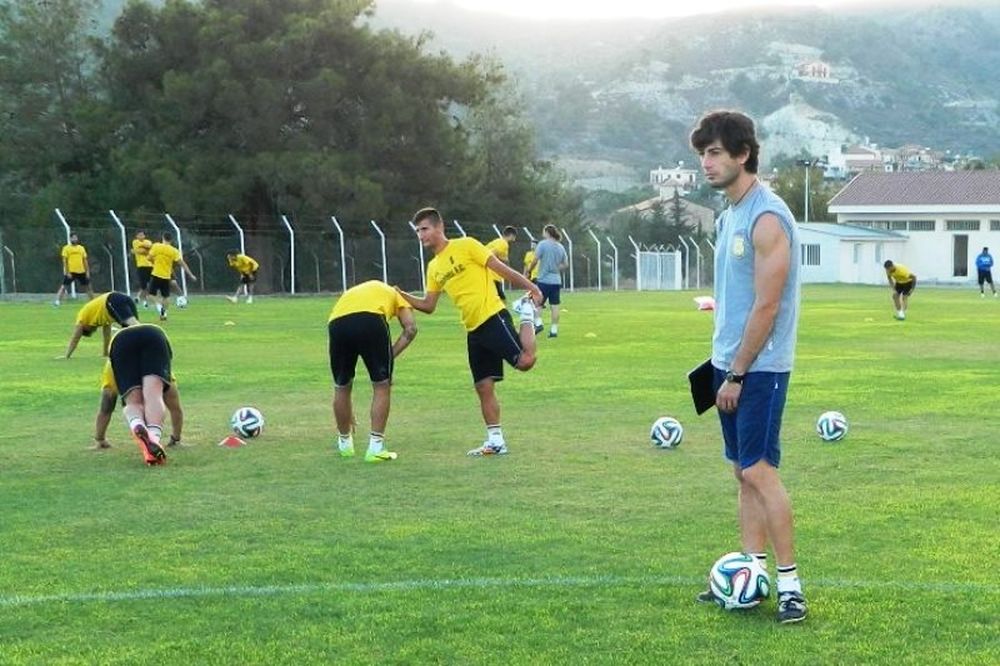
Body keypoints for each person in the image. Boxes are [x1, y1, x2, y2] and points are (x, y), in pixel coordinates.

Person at [690, 109, 806, 624]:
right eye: (702, 153)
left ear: (742, 154)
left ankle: (790, 587)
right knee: (742, 473)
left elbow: (768, 304)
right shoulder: (730, 214)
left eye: (715, 152)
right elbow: (741, 295)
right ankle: (749, 573)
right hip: (727, 362)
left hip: (758, 369)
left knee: (760, 469)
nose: (706, 163)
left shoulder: (766, 217)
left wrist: (736, 373)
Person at [396, 207, 543, 457]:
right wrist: (399, 295)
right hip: (473, 329)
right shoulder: (433, 268)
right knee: (483, 386)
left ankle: (526, 312)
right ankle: (495, 441)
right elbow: (428, 305)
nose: (421, 235)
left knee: (525, 361)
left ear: (439, 227)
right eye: (417, 231)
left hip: (492, 315)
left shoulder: (466, 245)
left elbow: (501, 269)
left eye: (424, 229)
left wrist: (533, 289)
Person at [328, 280, 418, 462]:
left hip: (336, 323)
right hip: (370, 319)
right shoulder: (397, 295)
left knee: (342, 385)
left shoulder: (359, 291)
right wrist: (389, 355)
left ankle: (345, 444)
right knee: (382, 385)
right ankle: (375, 447)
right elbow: (410, 329)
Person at [106, 323, 175, 465]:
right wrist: (176, 438)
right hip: (154, 334)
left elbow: (106, 403)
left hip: (120, 340)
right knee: (154, 395)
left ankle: (137, 423)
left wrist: (100, 438)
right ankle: (153, 438)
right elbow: (176, 407)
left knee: (133, 403)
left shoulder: (109, 368)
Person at [92, 359, 185, 451]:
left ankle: (100, 439)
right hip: (152, 359)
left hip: (119, 360)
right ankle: (175, 439)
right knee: (170, 401)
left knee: (108, 404)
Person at [62, 291, 140, 359]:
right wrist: (105, 353)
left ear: (85, 327)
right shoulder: (99, 317)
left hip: (111, 300)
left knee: (136, 326)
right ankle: (140, 351)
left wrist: (67, 355)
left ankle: (151, 341)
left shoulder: (82, 319)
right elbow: (107, 335)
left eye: (91, 330)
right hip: (123, 299)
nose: (94, 329)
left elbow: (75, 337)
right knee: (130, 332)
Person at [526, 225, 568, 338]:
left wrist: (529, 270)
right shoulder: (560, 247)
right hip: (556, 281)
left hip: (543, 280)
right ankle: (554, 331)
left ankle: (538, 323)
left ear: (547, 232)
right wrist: (555, 268)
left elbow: (535, 260)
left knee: (536, 303)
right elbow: (565, 264)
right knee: (555, 306)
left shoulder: (543, 244)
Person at [148, 231, 197, 321]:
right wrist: (191, 275)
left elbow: (149, 258)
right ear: (171, 240)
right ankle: (164, 313)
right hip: (166, 276)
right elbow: (182, 264)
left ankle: (159, 307)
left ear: (163, 238)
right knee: (166, 297)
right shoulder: (174, 251)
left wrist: (155, 262)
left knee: (151, 295)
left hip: (156, 274)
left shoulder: (156, 246)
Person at [54, 233, 94, 305]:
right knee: (64, 286)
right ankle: (57, 301)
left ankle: (93, 301)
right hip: (71, 271)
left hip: (81, 271)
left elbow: (85, 260)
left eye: (76, 238)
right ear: (70, 239)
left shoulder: (81, 248)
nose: (75, 239)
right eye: (73, 238)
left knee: (88, 287)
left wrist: (87, 272)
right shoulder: (66, 248)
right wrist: (67, 272)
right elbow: (65, 261)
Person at [485, 226, 518, 301]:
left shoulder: (497, 241)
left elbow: (505, 260)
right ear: (512, 235)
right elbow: (490, 255)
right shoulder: (503, 243)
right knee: (501, 299)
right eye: (515, 236)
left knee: (498, 298)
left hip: (490, 274)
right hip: (493, 275)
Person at [131, 230, 154, 307]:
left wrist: (144, 248)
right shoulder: (135, 242)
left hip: (150, 265)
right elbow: (142, 251)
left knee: (151, 284)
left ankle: (140, 298)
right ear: (136, 236)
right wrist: (146, 249)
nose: (141, 236)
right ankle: (143, 300)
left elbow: (150, 247)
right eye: (139, 235)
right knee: (143, 284)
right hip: (141, 266)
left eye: (142, 235)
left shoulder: (148, 241)